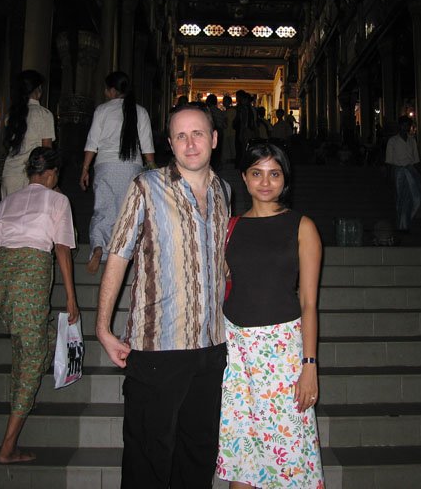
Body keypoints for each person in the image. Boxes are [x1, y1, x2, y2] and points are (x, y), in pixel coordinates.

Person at [95, 102, 231, 488]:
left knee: (198, 454)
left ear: (214, 139)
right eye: (181, 136)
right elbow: (119, 254)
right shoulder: (145, 186)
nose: (190, 143)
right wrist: (103, 327)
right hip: (157, 349)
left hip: (210, 349)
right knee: (147, 460)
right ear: (170, 143)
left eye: (198, 133)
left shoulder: (225, 191)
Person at [217, 138, 325, 488]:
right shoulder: (229, 228)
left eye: (274, 174)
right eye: (257, 173)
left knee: (289, 456)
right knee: (241, 459)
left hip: (282, 352)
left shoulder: (302, 226)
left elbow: (309, 302)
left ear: (285, 179)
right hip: (237, 353)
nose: (265, 182)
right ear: (244, 179)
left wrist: (309, 366)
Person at [0, 147, 80, 464]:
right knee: (33, 353)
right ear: (52, 174)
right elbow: (63, 250)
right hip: (29, 275)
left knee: (29, 343)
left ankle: (24, 390)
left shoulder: (8, 200)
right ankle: (7, 448)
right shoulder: (58, 200)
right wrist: (71, 297)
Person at [80, 71, 155, 275]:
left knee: (103, 211)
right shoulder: (140, 111)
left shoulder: (102, 110)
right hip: (132, 168)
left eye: (106, 89)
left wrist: (85, 169)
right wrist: (154, 171)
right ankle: (126, 253)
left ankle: (98, 248)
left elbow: (92, 143)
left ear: (112, 91)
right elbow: (147, 147)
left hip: (105, 166)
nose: (105, 92)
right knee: (129, 213)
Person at [1, 70, 55, 198]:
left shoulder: (11, 115)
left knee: (9, 216)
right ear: (38, 89)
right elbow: (46, 150)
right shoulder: (44, 114)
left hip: (9, 174)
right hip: (30, 177)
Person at [385, 115, 421, 232]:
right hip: (399, 172)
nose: (406, 127)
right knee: (401, 199)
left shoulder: (412, 140)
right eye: (404, 124)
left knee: (417, 197)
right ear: (400, 126)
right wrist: (389, 176)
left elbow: (416, 160)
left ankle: (407, 220)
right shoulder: (392, 141)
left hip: (411, 171)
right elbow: (389, 161)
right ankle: (402, 225)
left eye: (408, 125)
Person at [206, 93, 226, 170]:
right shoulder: (220, 112)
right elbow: (225, 124)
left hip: (211, 132)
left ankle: (211, 166)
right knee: (218, 150)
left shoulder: (208, 111)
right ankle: (217, 166)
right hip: (220, 132)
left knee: (211, 150)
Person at [222, 95, 237, 164]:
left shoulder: (230, 111)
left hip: (230, 132)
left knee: (231, 148)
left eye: (225, 101)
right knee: (231, 148)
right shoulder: (231, 111)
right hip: (230, 132)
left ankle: (231, 162)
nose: (224, 103)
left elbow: (226, 123)